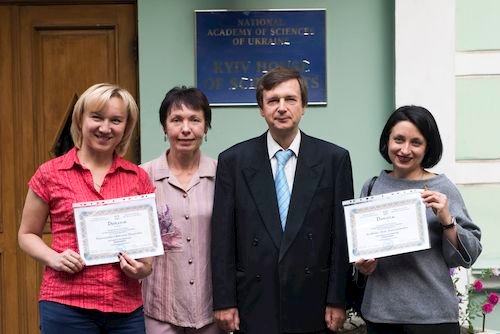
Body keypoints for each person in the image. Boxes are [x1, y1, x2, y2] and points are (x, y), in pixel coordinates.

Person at [211, 67, 354, 334]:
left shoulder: (334, 160)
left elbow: (341, 237)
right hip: (253, 300)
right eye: (273, 100)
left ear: (303, 106)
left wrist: (338, 299)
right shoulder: (233, 161)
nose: (281, 107)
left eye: (290, 99)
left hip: (312, 300)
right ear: (261, 109)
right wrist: (224, 300)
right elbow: (222, 238)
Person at [18, 83, 155, 333]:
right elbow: (26, 234)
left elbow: (146, 251)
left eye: (116, 120)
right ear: (80, 119)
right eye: (97, 117)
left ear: (126, 127)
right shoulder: (50, 174)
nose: (105, 128)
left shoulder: (138, 178)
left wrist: (143, 268)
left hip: (125, 308)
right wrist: (54, 257)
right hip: (66, 305)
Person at [355, 105, 482, 334]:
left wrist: (447, 219)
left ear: (427, 147)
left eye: (416, 142)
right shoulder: (372, 187)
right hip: (381, 315)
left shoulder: (442, 188)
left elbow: (470, 253)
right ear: (387, 141)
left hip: (433, 317)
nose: (405, 149)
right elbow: (361, 252)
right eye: (399, 139)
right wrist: (364, 268)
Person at [141, 86, 222, 334]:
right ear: (165, 127)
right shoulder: (142, 176)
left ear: (206, 127)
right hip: (159, 308)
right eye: (176, 120)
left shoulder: (223, 175)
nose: (185, 129)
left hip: (211, 309)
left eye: (195, 120)